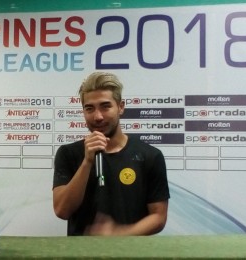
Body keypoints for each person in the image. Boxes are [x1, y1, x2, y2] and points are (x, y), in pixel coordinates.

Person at [53, 71, 170, 236]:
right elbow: (62, 210)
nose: (98, 116)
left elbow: (158, 217)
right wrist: (87, 162)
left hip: (131, 254)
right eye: (89, 108)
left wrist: (118, 234)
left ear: (120, 107)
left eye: (105, 106)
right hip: (81, 254)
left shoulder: (150, 155)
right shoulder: (68, 153)